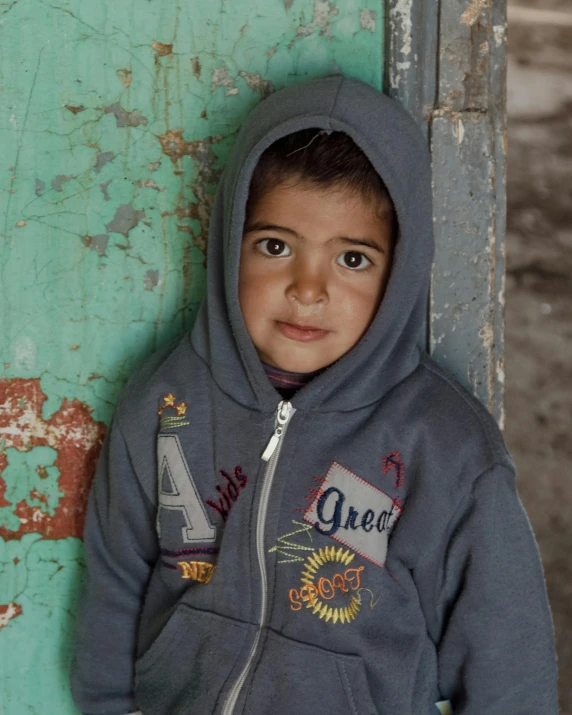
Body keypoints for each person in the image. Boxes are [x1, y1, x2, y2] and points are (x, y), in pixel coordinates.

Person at [70, 75, 558, 715]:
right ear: (227, 245)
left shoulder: (445, 445)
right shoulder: (163, 404)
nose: (308, 288)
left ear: (401, 271)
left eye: (352, 259)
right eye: (275, 247)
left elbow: (509, 667)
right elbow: (114, 587)